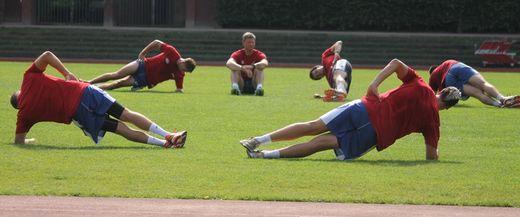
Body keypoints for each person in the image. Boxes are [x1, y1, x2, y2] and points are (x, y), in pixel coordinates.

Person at [240, 59, 461, 161]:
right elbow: (431, 156)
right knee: (318, 145)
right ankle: (263, 156)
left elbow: (395, 63)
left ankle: (258, 140)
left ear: (440, 90)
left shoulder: (422, 84)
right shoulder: (433, 121)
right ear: (448, 107)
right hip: (372, 134)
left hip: (365, 108)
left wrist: (375, 84)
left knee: (312, 127)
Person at [11, 51, 187, 148]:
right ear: (19, 92)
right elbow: (47, 55)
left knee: (119, 128)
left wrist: (28, 141)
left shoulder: (24, 115)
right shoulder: (28, 78)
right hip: (85, 92)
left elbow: (18, 141)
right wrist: (67, 73)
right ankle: (168, 135)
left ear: (18, 106)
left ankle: (164, 144)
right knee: (126, 114)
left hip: (79, 114)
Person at [88, 39, 196, 92]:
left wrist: (179, 91)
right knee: (116, 75)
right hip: (143, 64)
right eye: (184, 69)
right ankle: (88, 83)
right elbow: (156, 42)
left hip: (144, 79)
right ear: (183, 62)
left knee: (117, 84)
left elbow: (179, 89)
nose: (183, 72)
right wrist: (143, 53)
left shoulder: (179, 74)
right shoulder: (173, 52)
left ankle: (92, 89)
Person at [429, 59, 519, 108]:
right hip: (456, 66)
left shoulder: (433, 76)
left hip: (449, 80)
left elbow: (431, 95)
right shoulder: (443, 65)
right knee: (483, 84)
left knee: (477, 93)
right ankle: (502, 98)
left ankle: (499, 105)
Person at [226, 32, 269, 96]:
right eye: (249, 42)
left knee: (259, 68)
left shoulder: (259, 54)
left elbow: (265, 63)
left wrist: (252, 66)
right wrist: (242, 68)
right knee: (235, 69)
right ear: (243, 43)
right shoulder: (238, 54)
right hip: (241, 83)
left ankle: (259, 88)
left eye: (253, 42)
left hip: (254, 82)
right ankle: (235, 88)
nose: (251, 44)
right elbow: (229, 63)